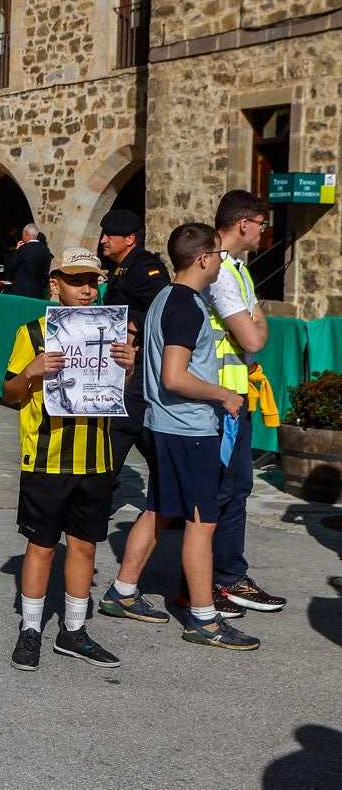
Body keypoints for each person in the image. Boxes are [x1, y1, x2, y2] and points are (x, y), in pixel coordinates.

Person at [98, 223, 259, 651]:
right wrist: (223, 393)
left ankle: (123, 590)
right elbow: (174, 376)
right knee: (202, 524)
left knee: (157, 510)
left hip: (163, 425)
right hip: (189, 429)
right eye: (218, 256)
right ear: (204, 258)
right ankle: (204, 619)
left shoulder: (164, 298)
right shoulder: (187, 306)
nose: (221, 262)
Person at [3, 248, 136, 671]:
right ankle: (30, 630)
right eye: (76, 281)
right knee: (41, 546)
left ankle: (73, 632)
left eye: (92, 281)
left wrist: (129, 367)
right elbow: (9, 393)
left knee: (84, 546)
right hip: (46, 459)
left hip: (96, 457)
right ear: (54, 284)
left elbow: (115, 390)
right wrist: (30, 372)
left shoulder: (113, 331)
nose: (86, 289)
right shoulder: (32, 332)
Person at [198, 190, 286, 614]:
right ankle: (219, 580)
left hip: (235, 395)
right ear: (244, 223)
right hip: (219, 398)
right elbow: (254, 336)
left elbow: (254, 330)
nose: (264, 232)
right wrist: (256, 318)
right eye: (262, 223)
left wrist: (255, 319)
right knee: (222, 493)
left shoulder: (235, 268)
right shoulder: (218, 269)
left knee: (236, 490)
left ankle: (224, 577)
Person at [99, 209, 172, 499]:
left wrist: (133, 326)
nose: (103, 240)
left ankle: (98, 491)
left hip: (139, 361)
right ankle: (171, 495)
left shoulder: (144, 269)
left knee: (122, 424)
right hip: (123, 360)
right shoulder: (123, 266)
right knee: (142, 433)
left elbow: (162, 306)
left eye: (110, 236)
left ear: (130, 239)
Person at [5, 224, 52, 298]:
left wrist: (16, 251)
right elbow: (46, 272)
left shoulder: (24, 249)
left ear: (25, 234)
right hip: (37, 290)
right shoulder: (45, 250)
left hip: (20, 290)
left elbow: (12, 265)